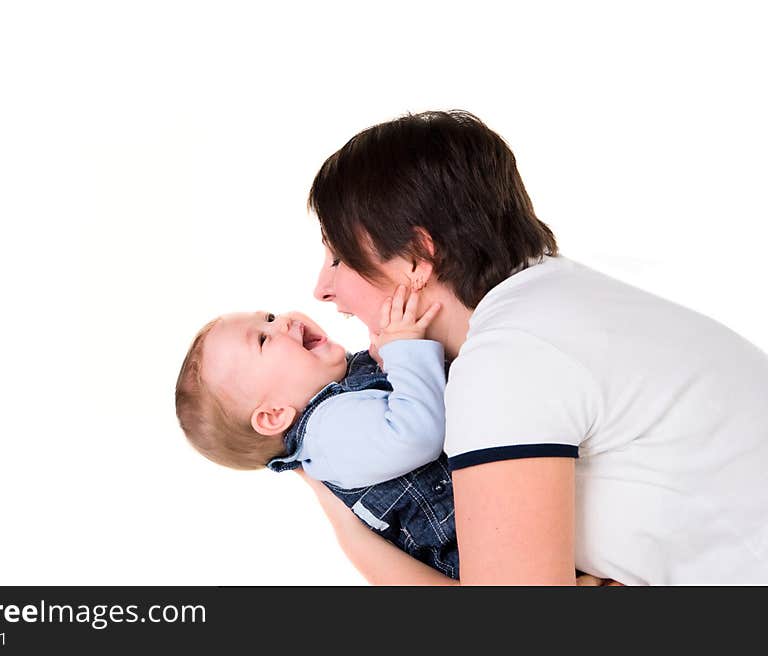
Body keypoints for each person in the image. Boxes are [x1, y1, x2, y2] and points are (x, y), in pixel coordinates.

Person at [305, 109, 768, 585]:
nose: (322, 288)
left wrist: (348, 525)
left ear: (418, 258)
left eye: (339, 257)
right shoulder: (553, 304)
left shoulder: (507, 360)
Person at [174, 296, 465, 577]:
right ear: (275, 415)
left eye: (269, 317)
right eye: (263, 339)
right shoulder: (327, 433)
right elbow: (416, 434)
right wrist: (405, 349)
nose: (283, 322)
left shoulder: (338, 409)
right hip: (475, 538)